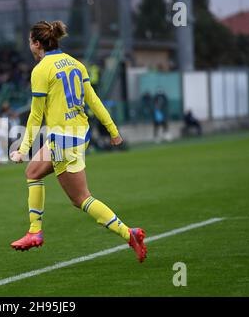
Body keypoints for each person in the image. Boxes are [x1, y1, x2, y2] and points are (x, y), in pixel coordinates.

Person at [9, 21, 147, 263]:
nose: (29, 45)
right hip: (78, 134)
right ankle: (34, 232)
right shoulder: (76, 63)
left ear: (37, 43)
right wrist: (112, 130)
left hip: (63, 140)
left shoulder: (41, 70)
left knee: (81, 198)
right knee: (33, 172)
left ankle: (129, 234)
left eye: (30, 41)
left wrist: (22, 148)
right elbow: (93, 100)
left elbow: (35, 115)